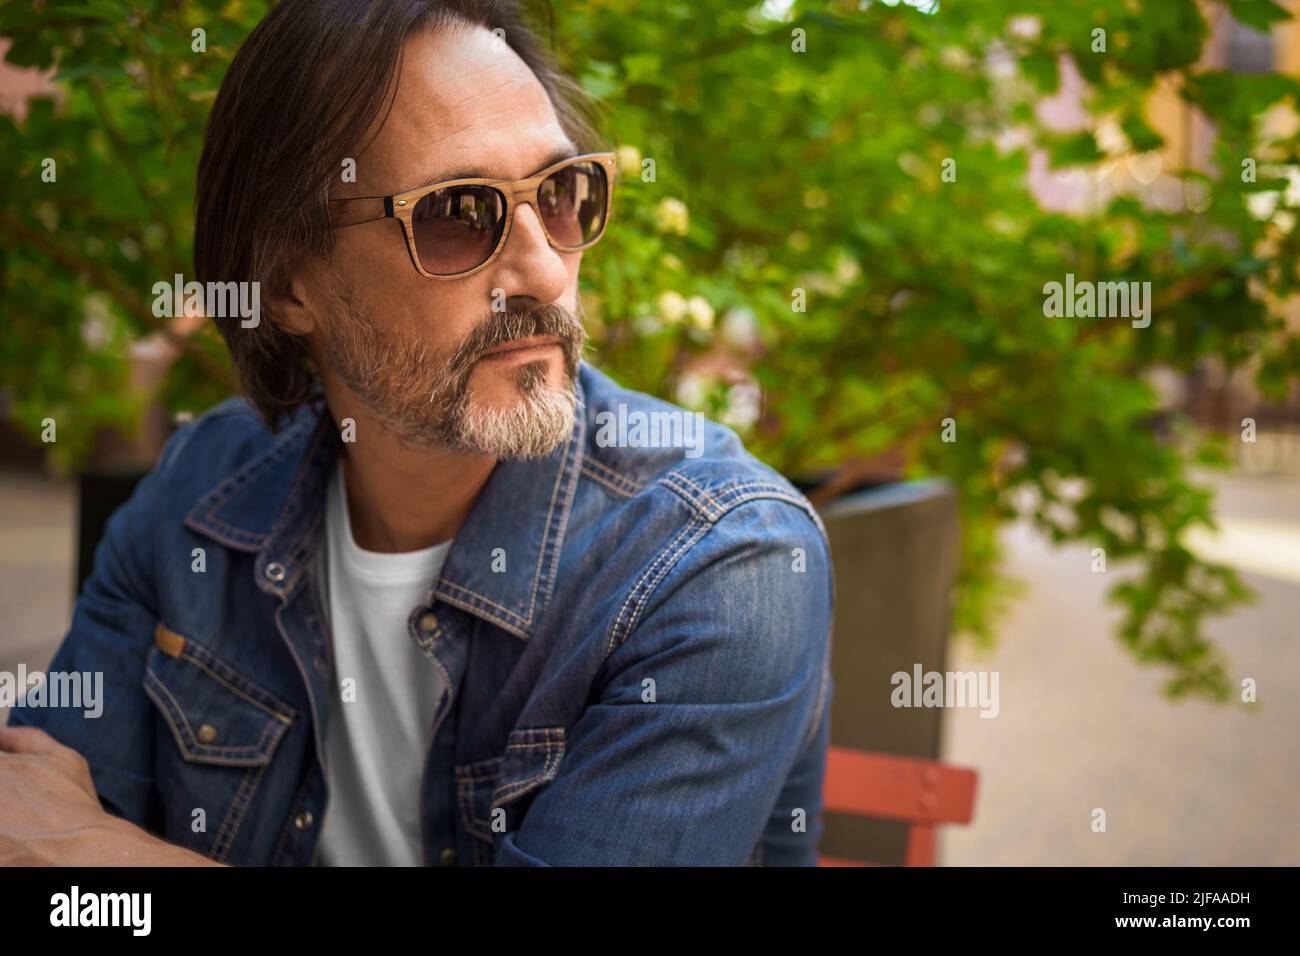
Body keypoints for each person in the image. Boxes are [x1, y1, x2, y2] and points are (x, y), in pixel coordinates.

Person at [1, 0, 833, 867]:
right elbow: (33, 819)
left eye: (559, 194)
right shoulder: (202, 491)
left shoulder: (719, 561)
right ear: (287, 283)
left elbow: (68, 853)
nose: (546, 270)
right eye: (458, 213)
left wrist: (115, 860)